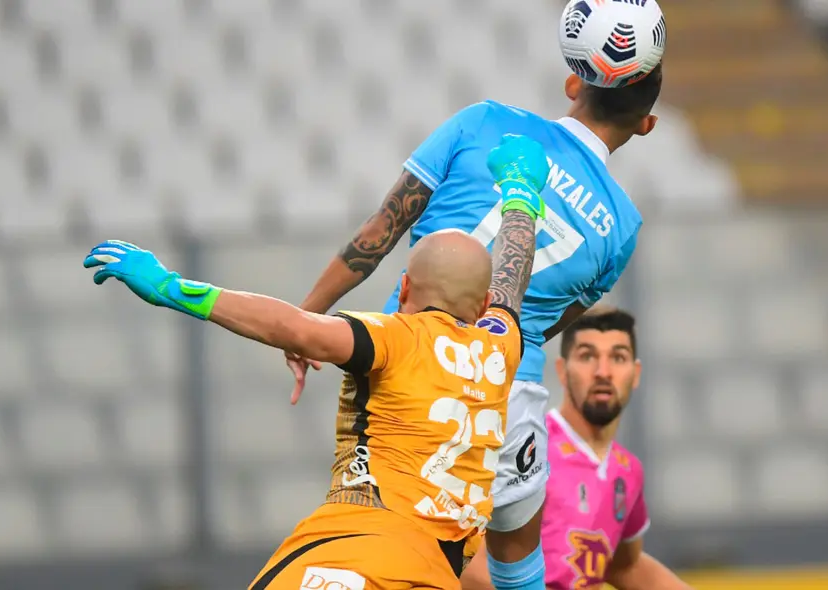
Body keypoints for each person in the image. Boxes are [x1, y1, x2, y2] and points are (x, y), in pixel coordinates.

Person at [83, 135, 550, 590]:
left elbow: (294, 327)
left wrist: (171, 289)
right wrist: (520, 195)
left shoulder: (393, 337)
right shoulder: (503, 344)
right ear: (484, 302)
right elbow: (512, 272)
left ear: (404, 289)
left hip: (359, 550)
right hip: (435, 572)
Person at [286, 60, 663, 589]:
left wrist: (309, 317)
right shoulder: (622, 225)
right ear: (646, 125)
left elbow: (381, 230)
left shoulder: (482, 122)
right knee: (516, 564)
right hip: (509, 392)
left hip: (415, 375)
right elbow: (547, 323)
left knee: (397, 537)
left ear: (574, 83)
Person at [461, 307, 691, 590]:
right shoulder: (527, 451)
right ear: (562, 370)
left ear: (636, 373)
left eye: (618, 357)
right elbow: (472, 564)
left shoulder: (627, 470)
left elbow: (624, 565)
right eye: (587, 356)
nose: (603, 372)